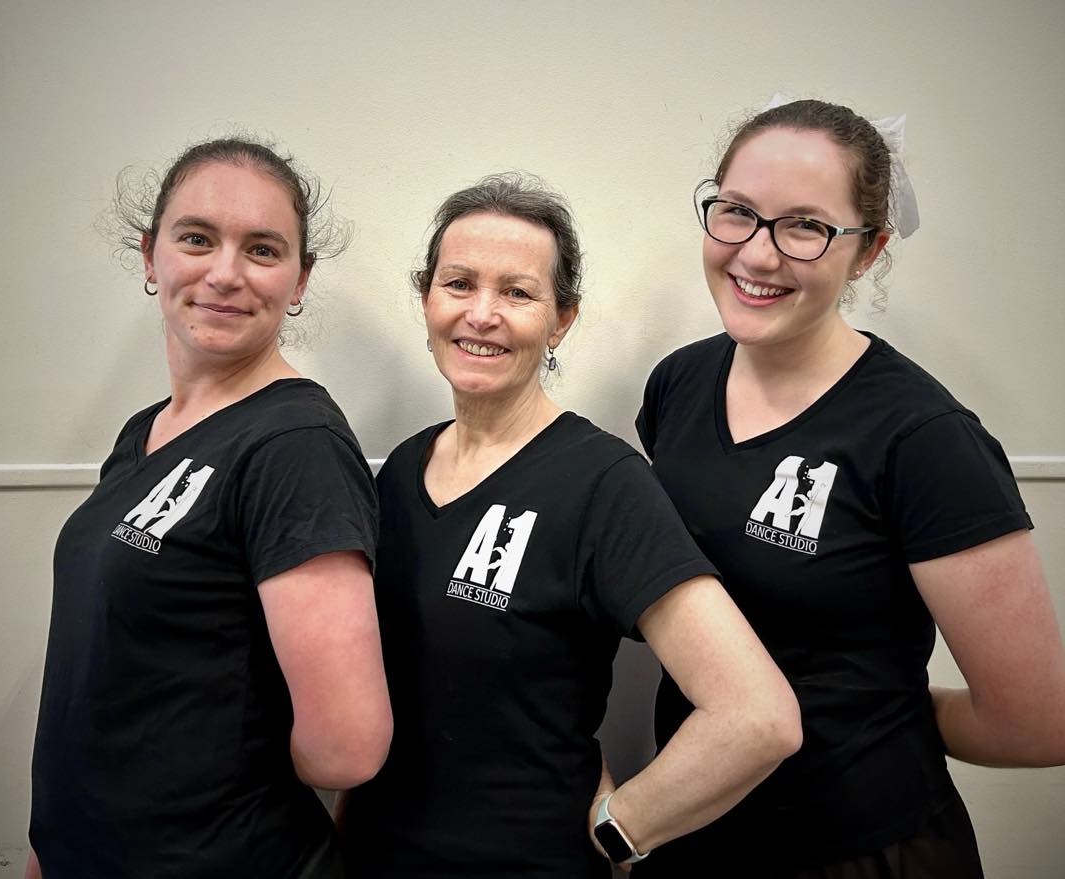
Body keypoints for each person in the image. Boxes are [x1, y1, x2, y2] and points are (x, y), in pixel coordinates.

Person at [635, 99, 1065, 877]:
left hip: (859, 851)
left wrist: (875, 718)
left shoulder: (925, 439)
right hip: (692, 830)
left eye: (805, 225)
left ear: (869, 250)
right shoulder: (678, 383)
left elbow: (1037, 727)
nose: (758, 253)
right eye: (737, 211)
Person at [341, 173, 802, 878]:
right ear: (428, 298)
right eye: (459, 283)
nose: (482, 313)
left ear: (561, 319)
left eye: (517, 292)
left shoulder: (602, 482)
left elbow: (757, 716)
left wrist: (623, 829)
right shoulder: (401, 470)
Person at [26, 138, 392, 879]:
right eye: (197, 238)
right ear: (149, 254)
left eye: (262, 249)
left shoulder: (296, 447)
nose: (225, 273)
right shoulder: (147, 430)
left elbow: (348, 742)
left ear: (299, 280)